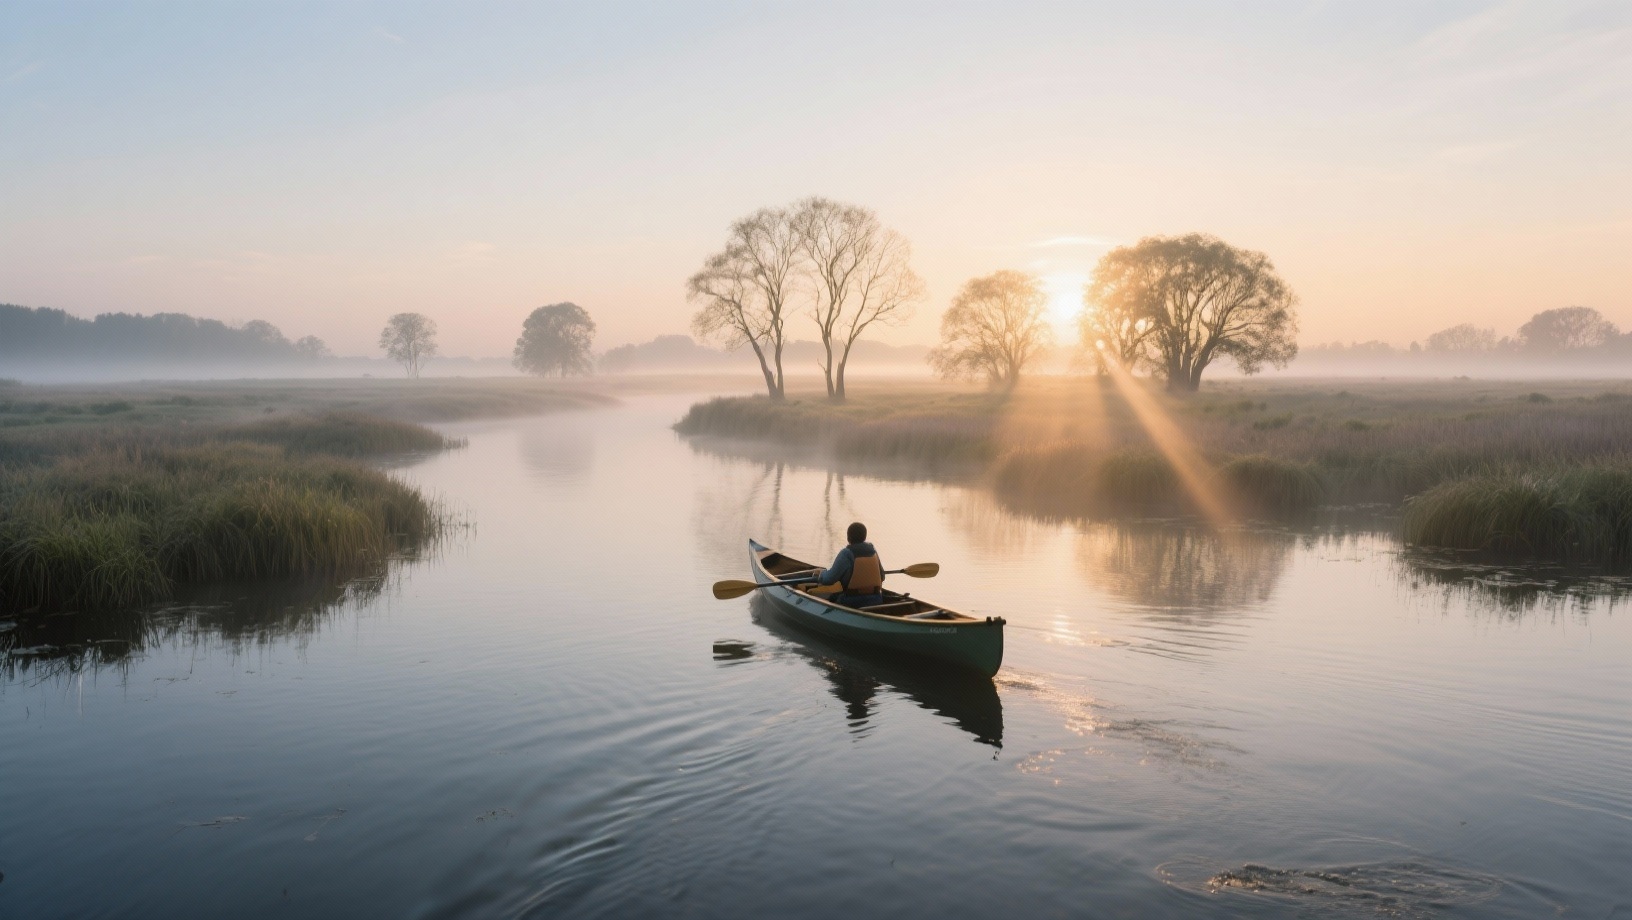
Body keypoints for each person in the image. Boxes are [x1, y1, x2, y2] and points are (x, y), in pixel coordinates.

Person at [817, 522, 885, 607]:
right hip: (876, 600)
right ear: (865, 537)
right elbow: (882, 576)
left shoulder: (846, 554)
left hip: (850, 602)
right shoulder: (873, 550)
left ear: (848, 537)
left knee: (826, 596)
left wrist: (821, 574)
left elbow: (828, 580)